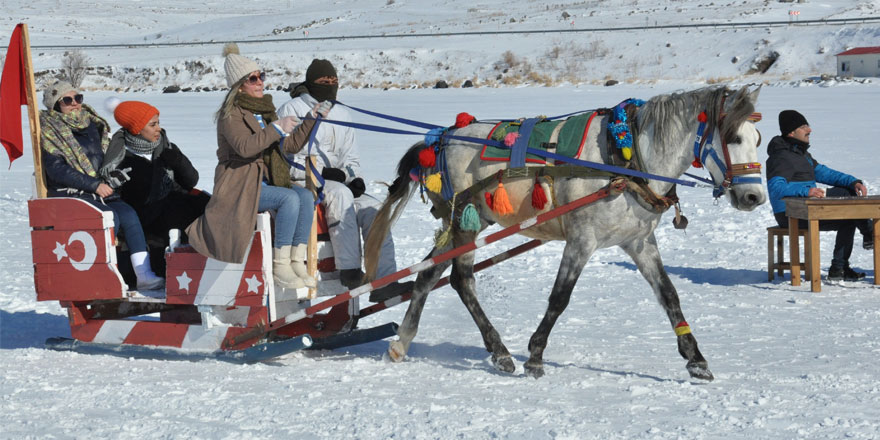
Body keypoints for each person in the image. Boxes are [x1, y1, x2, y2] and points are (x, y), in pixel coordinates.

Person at [186, 43, 329, 290]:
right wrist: (276, 129)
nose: (260, 82)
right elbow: (244, 147)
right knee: (288, 199)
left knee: (305, 197)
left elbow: (290, 145)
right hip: (239, 185)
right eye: (253, 79)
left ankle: (296, 261)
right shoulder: (231, 114)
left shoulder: (265, 110)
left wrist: (311, 119)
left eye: (261, 76)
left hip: (265, 180)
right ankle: (280, 265)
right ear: (240, 85)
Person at [277, 59, 412, 302]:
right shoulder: (292, 109)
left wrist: (353, 177)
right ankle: (348, 270)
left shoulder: (342, 113)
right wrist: (323, 174)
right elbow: (286, 156)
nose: (330, 85)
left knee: (374, 208)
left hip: (337, 182)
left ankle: (383, 280)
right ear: (310, 82)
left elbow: (351, 157)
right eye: (323, 81)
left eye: (333, 81)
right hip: (302, 181)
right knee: (340, 194)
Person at [39, 81, 164, 290]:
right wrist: (94, 185)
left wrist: (112, 174)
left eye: (77, 98)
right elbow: (56, 170)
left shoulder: (92, 124)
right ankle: (105, 274)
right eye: (67, 100)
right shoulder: (50, 131)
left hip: (100, 190)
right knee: (108, 217)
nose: (75, 104)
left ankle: (144, 275)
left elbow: (103, 158)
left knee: (129, 215)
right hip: (74, 193)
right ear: (55, 105)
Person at [766, 109, 873, 282]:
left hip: (810, 208)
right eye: (804, 126)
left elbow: (824, 173)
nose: (810, 130)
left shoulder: (801, 154)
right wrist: (806, 191)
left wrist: (853, 181)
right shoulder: (780, 157)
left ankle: (839, 269)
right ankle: (870, 233)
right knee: (850, 211)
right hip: (790, 213)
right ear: (791, 132)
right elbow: (776, 189)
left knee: (850, 201)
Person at [106, 99, 210, 252]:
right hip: (148, 218)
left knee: (209, 204)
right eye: (152, 125)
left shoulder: (166, 147)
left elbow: (191, 181)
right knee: (179, 214)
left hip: (175, 204)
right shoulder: (122, 157)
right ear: (137, 129)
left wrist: (179, 161)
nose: (159, 129)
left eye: (158, 123)